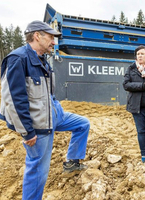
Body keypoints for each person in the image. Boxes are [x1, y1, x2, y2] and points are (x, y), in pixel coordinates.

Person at [0, 20, 90, 200]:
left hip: (55, 116)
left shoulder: (42, 60)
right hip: (38, 126)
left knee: (82, 124)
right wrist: (27, 132)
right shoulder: (18, 59)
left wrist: (56, 108)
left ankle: (72, 162)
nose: (54, 42)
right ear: (37, 36)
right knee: (38, 171)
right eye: (50, 37)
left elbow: (47, 94)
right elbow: (13, 101)